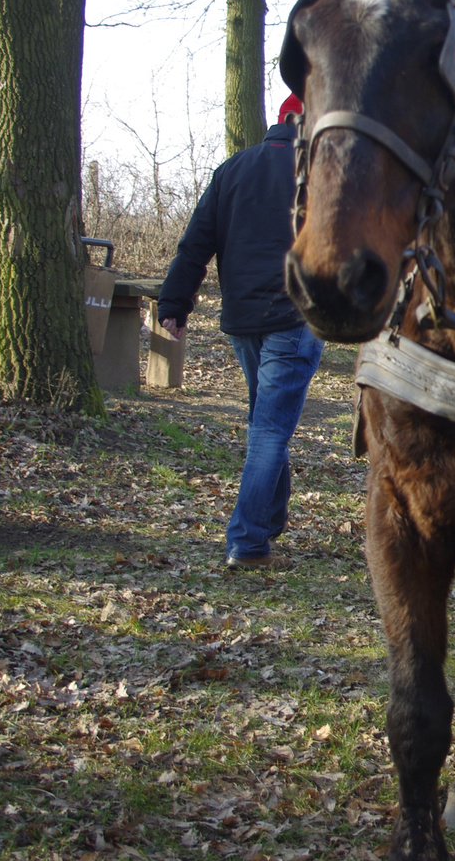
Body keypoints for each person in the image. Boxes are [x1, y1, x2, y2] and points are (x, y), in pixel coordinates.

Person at [158, 94, 325, 570]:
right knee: (270, 429)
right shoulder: (319, 174)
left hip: (243, 320)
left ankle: (270, 519)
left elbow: (196, 243)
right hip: (294, 319)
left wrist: (174, 301)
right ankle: (248, 542)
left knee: (266, 422)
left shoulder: (232, 169)